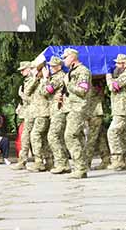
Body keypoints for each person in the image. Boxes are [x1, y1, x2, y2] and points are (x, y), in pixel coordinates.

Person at [62, 48, 92, 179]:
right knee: (78, 137)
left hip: (78, 108)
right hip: (72, 108)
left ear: (72, 57)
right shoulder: (72, 72)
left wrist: (68, 84)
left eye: (65, 57)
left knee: (70, 136)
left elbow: (82, 90)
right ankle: (81, 168)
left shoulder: (83, 71)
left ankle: (80, 168)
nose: (63, 60)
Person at [105, 54, 126, 171]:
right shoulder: (122, 75)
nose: (116, 65)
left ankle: (117, 160)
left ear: (124, 64)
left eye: (118, 63)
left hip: (122, 109)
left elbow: (113, 87)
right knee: (123, 135)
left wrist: (108, 75)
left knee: (112, 132)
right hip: (120, 109)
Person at [45, 56, 70, 174]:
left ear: (59, 67)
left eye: (53, 66)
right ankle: (64, 164)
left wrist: (45, 78)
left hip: (59, 110)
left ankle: (61, 163)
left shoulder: (58, 77)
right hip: (56, 109)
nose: (50, 68)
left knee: (53, 136)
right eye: (50, 66)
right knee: (58, 137)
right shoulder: (57, 76)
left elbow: (46, 91)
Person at [28, 63, 53, 172]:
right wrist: (34, 78)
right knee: (43, 138)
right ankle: (49, 161)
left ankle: (38, 161)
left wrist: (45, 78)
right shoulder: (36, 82)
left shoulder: (46, 80)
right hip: (39, 113)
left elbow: (46, 92)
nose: (33, 72)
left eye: (35, 70)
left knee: (35, 135)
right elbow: (27, 91)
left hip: (44, 113)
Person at [12, 61, 37, 170]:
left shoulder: (33, 80)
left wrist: (21, 95)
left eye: (23, 69)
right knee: (25, 137)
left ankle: (37, 160)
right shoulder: (27, 81)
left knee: (32, 137)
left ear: (29, 68)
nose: (21, 72)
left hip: (33, 112)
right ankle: (22, 160)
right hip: (28, 112)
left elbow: (32, 99)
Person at [84, 79, 110, 170]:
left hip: (95, 113)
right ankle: (106, 160)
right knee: (100, 137)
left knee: (91, 139)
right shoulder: (96, 83)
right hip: (94, 113)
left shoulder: (95, 84)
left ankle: (86, 163)